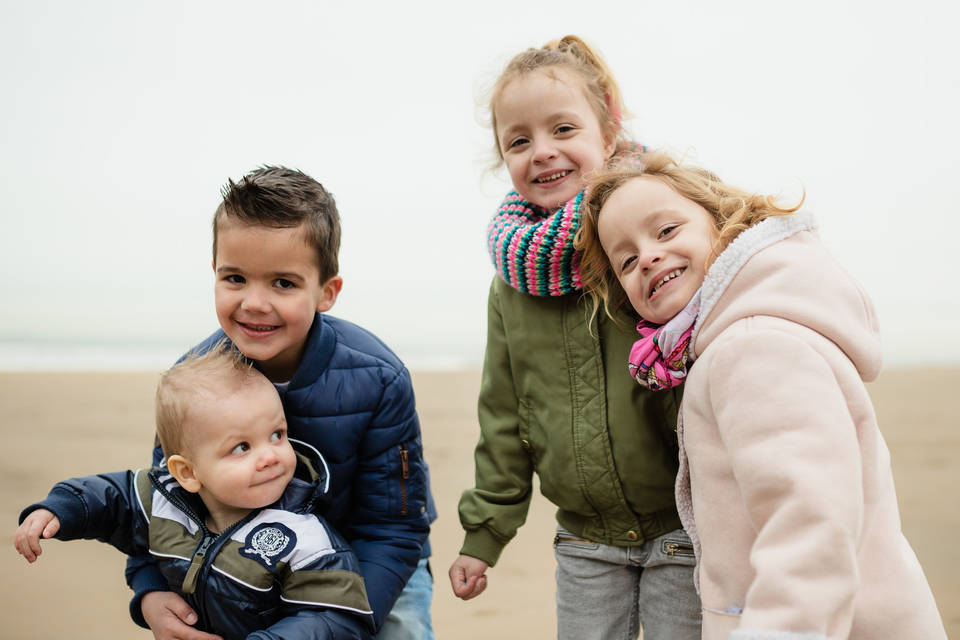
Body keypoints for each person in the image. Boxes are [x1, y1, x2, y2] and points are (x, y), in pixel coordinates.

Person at [574, 151, 948, 639]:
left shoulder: (751, 346)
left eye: (666, 231)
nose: (647, 256)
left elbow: (809, 529)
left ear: (722, 223)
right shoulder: (740, 336)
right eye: (626, 259)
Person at [449, 36, 702, 639]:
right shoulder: (511, 287)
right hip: (585, 540)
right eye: (519, 140)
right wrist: (484, 535)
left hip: (686, 531)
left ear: (608, 132)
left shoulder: (652, 245)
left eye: (563, 129)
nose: (542, 152)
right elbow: (505, 420)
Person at [126, 167, 436, 640]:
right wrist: (149, 590)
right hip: (246, 563)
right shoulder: (195, 380)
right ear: (214, 275)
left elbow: (393, 529)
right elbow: (162, 499)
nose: (254, 302)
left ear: (326, 292)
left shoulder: (377, 378)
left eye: (283, 284)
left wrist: (341, 620)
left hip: (372, 559)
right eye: (235, 278)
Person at [15, 345, 374, 640]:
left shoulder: (304, 539)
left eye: (277, 435)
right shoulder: (163, 501)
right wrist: (59, 509)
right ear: (187, 473)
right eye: (241, 447)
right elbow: (111, 498)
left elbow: (338, 619)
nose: (270, 456)